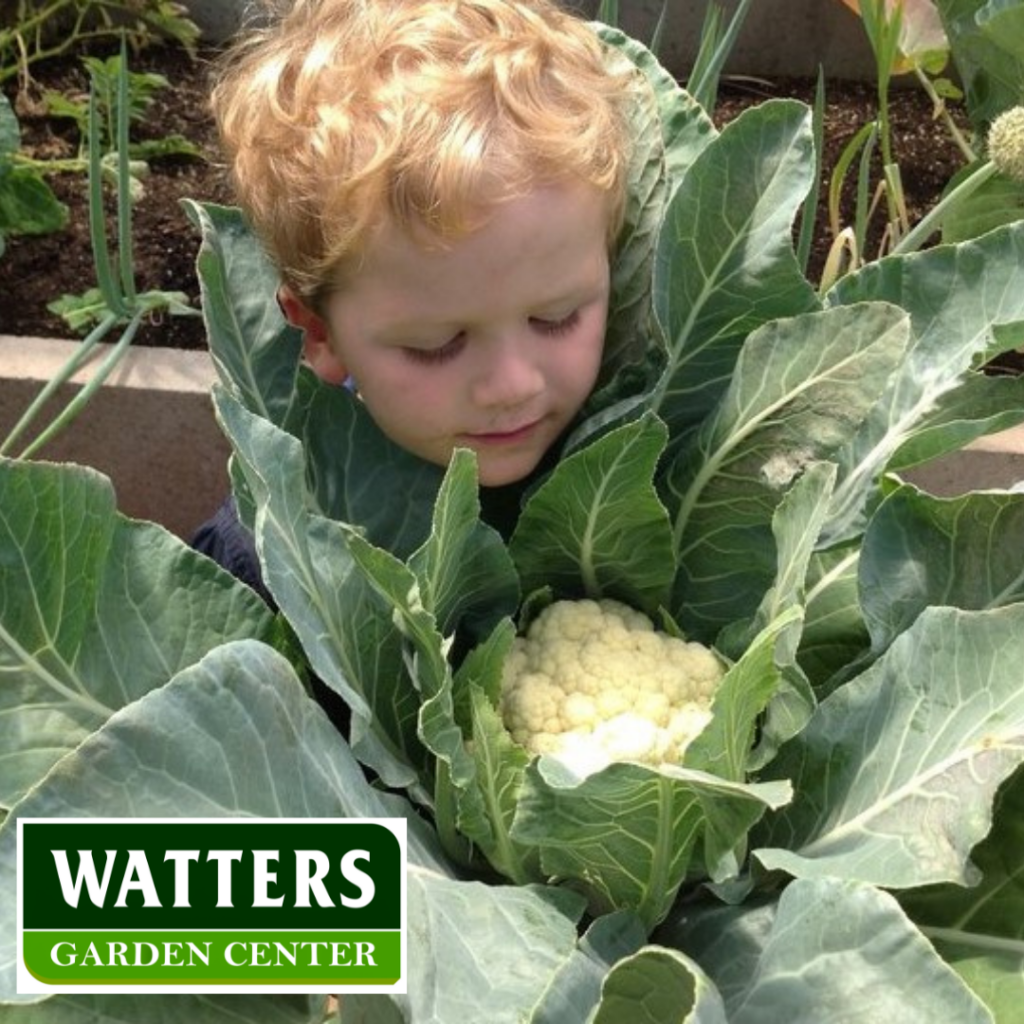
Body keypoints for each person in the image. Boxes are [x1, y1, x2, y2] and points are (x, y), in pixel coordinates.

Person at [193, 0, 638, 608]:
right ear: (317, 333)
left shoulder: (657, 459)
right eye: (436, 346)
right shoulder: (277, 561)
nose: (511, 384)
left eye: (556, 317)